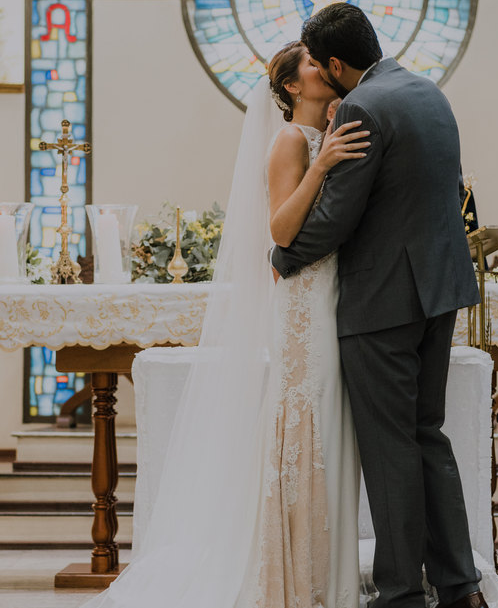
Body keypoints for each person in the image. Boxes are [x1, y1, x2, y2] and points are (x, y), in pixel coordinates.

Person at [80, 44, 369, 608]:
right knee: (305, 426)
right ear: (289, 87)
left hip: (332, 294)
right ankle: (293, 575)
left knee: (328, 428)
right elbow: (281, 231)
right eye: (313, 65)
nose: (326, 69)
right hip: (304, 304)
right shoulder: (289, 142)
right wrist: (324, 164)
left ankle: (321, 568)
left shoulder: (326, 133)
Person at [271, 2, 488, 608]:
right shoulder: (428, 91)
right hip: (438, 292)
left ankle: (398, 594)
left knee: (390, 447)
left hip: (383, 300)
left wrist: (283, 257)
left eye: (320, 62)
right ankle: (459, 585)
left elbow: (339, 214)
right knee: (427, 435)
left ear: (337, 64)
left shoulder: (366, 105)